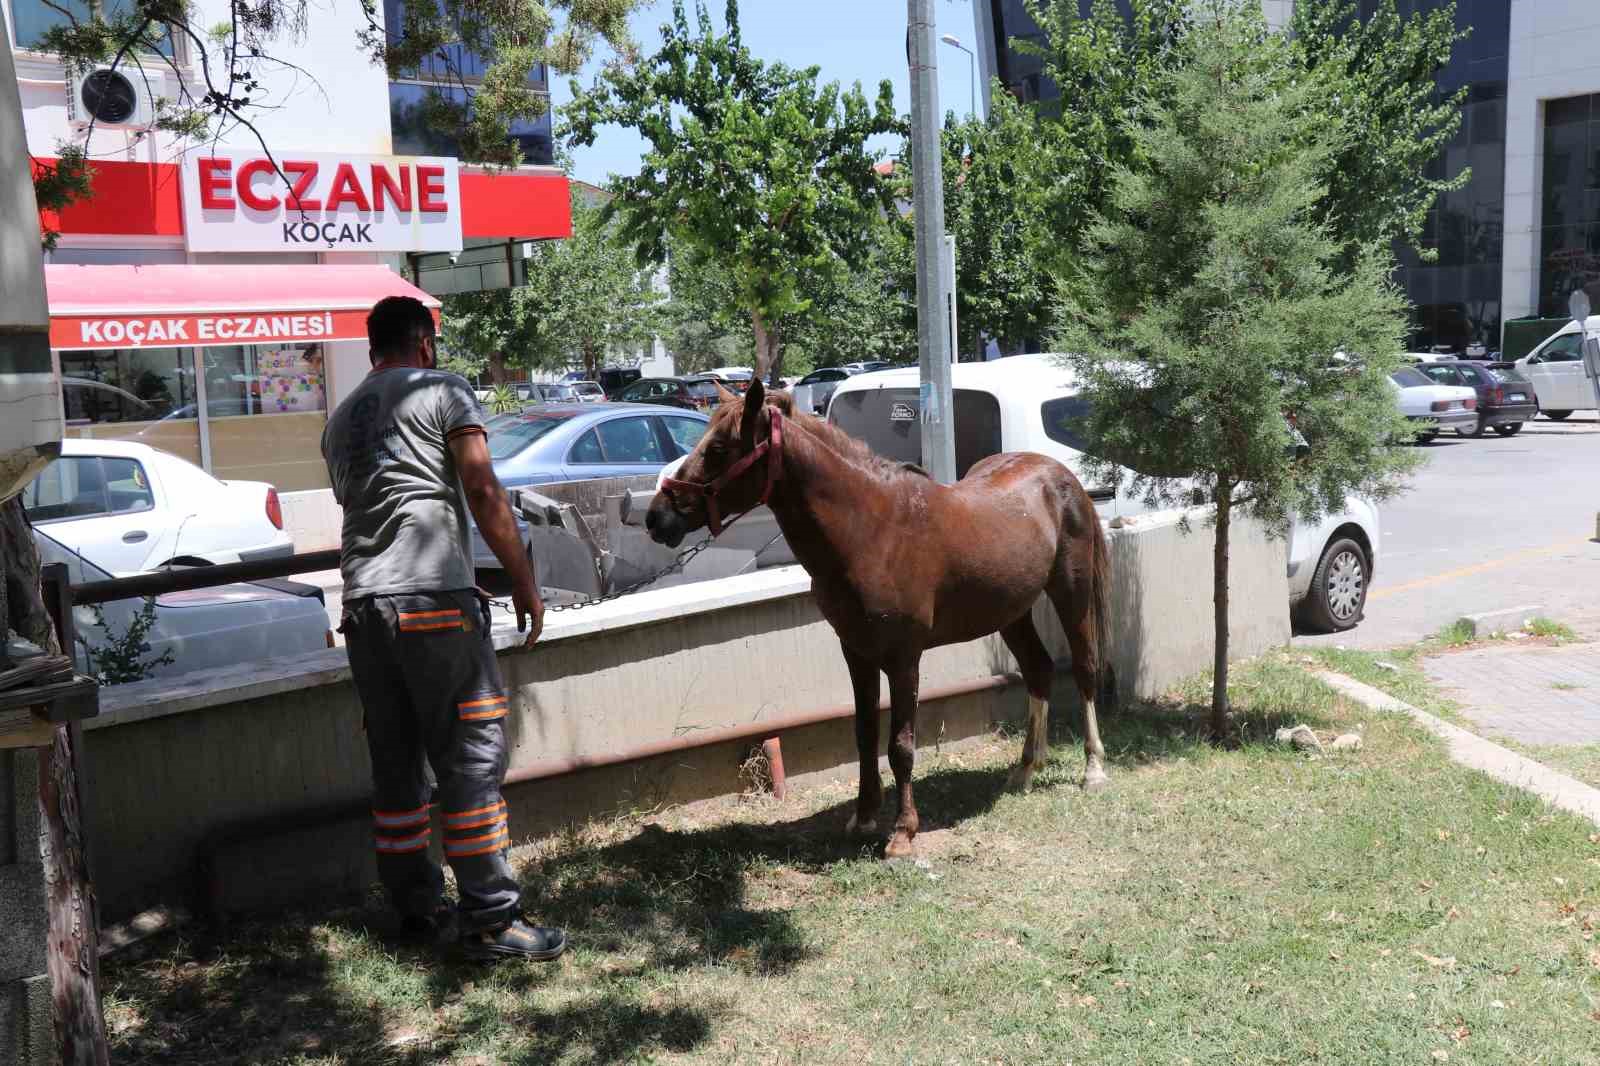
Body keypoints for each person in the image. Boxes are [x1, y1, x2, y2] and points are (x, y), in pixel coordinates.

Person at [321, 295, 564, 962]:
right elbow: (482, 489)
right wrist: (523, 579)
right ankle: (491, 920)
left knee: (397, 770)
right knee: (470, 758)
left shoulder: (338, 422)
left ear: (373, 349)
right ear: (425, 343)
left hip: (364, 610)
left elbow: (365, 506)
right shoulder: (442, 389)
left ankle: (415, 912)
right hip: (433, 602)